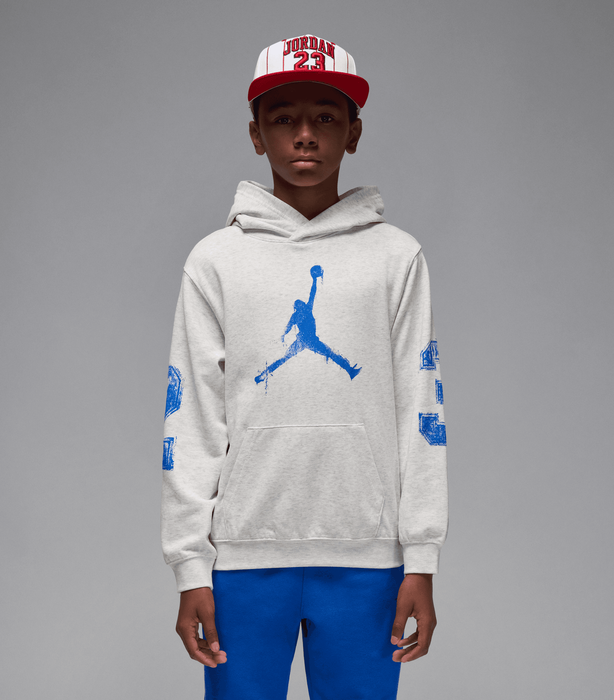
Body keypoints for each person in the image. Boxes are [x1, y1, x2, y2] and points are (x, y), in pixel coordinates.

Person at [161, 33, 449, 699]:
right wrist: (190, 566)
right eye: (283, 118)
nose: (305, 135)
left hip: (368, 557)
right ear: (256, 134)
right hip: (241, 557)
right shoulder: (215, 261)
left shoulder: (396, 258)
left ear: (354, 132)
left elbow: (422, 410)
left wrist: (421, 556)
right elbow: (191, 416)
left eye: (325, 116)